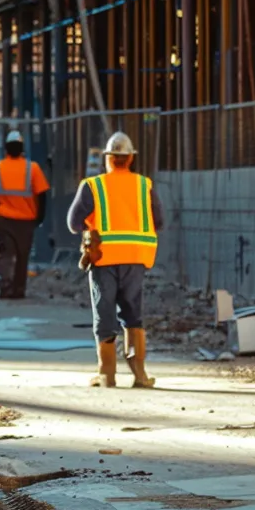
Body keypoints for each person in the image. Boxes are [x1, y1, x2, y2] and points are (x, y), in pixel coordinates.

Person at [68, 132, 161, 388]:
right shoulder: (145, 185)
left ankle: (107, 374)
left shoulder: (93, 185)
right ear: (130, 158)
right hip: (135, 258)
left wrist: (91, 228)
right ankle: (140, 374)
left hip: (104, 257)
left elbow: (74, 223)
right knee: (133, 313)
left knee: (104, 311)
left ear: (108, 159)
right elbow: (160, 221)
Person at [0, 131, 49, 299]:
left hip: (4, 218)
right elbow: (42, 195)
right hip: (26, 220)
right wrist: (40, 216)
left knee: (5, 253)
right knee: (22, 255)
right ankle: (19, 289)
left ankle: (5, 286)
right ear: (21, 148)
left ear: (6, 148)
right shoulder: (32, 168)